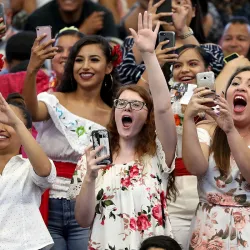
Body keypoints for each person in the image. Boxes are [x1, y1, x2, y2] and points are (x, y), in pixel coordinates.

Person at [74, 11, 177, 249]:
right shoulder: (93, 158)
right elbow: (82, 220)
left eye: (136, 104)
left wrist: (149, 54)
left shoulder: (158, 155)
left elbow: (163, 107)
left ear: (147, 116)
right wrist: (89, 177)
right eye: (121, 103)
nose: (127, 108)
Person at [22, 34, 120, 250]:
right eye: (78, 60)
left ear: (109, 67)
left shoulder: (116, 114)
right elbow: (30, 113)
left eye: (94, 59)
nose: (85, 66)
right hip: (45, 202)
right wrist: (32, 69)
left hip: (89, 205)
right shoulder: (54, 100)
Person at [182, 66, 250, 249]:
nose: (241, 88)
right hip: (209, 230)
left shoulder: (228, 131)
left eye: (249, 85)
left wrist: (230, 130)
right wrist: (188, 119)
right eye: (235, 83)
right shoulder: (206, 130)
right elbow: (195, 167)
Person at [167, 44, 214, 248]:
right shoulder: (162, 106)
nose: (184, 70)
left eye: (193, 64)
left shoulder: (222, 104)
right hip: (173, 201)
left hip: (211, 199)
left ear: (208, 70)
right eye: (177, 65)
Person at [118, 0, 224, 86]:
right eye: (167, 5)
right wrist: (154, 62)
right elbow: (122, 78)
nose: (173, 9)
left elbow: (214, 74)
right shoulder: (133, 43)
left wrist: (183, 29)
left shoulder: (212, 49)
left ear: (193, 11)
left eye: (180, 3)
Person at [0, 92, 56, 250]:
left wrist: (16, 123)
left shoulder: (29, 167)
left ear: (27, 131)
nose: (1, 128)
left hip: (29, 245)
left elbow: (45, 172)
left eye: (9, 123)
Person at [24, 0, 118, 38]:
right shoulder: (39, 20)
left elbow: (114, 54)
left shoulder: (101, 16)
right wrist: (82, 32)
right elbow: (46, 62)